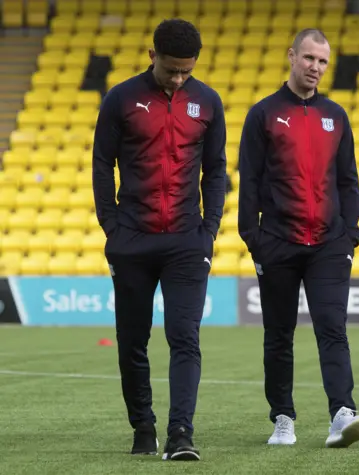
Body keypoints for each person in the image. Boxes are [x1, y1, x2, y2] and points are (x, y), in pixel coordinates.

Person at [92, 19, 227, 461]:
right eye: (171, 70)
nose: (178, 78)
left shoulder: (208, 102)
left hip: (187, 241)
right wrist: (112, 227)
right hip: (132, 239)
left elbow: (216, 170)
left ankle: (181, 433)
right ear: (153, 57)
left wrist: (209, 230)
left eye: (186, 71)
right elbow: (101, 164)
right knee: (132, 340)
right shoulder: (121, 99)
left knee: (184, 336)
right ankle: (143, 427)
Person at [237, 28, 359, 448]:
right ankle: (283, 418)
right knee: (279, 333)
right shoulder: (263, 114)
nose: (316, 67)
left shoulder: (336, 115)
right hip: (277, 241)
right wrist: (253, 237)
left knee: (333, 327)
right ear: (292, 56)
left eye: (323, 62)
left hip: (330, 244)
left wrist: (350, 234)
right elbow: (250, 181)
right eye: (310, 58)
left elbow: (348, 180)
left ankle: (342, 413)